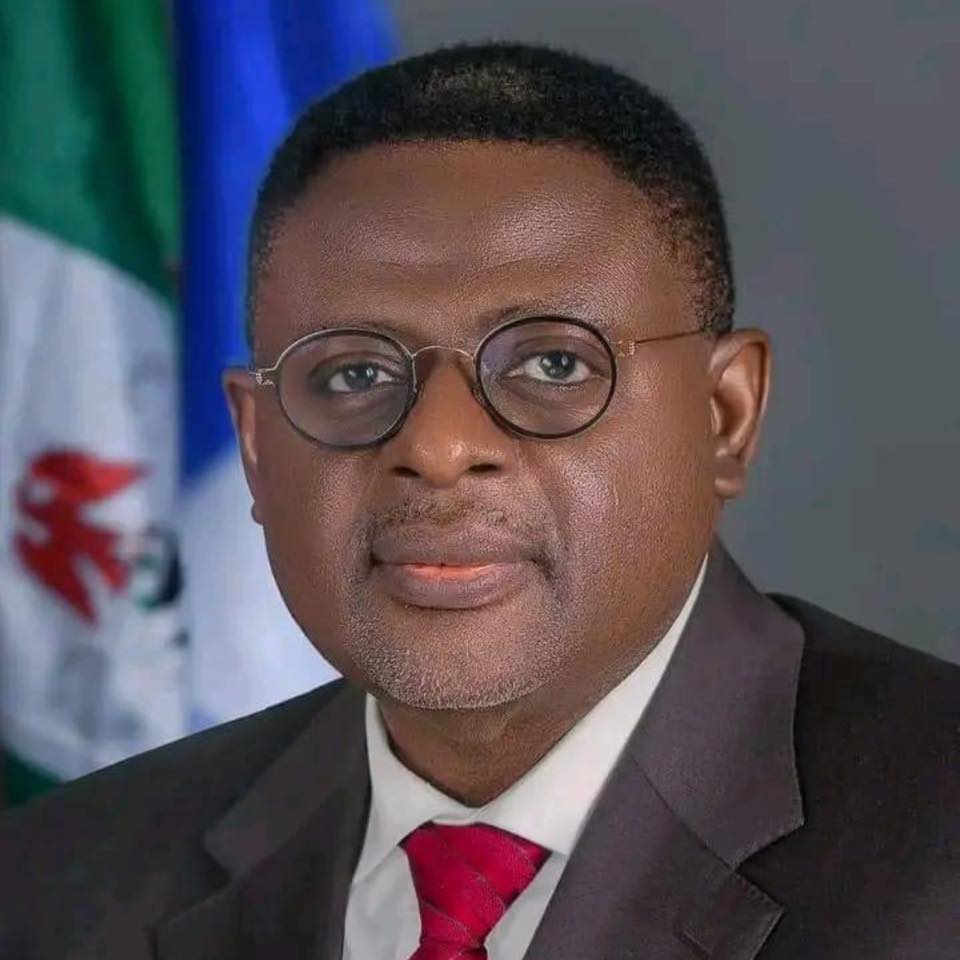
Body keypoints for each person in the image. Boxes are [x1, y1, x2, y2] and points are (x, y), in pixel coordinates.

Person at [1, 42, 956, 960]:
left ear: (724, 417)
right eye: (353, 374)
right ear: (255, 446)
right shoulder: (57, 885)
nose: (438, 446)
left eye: (554, 363)